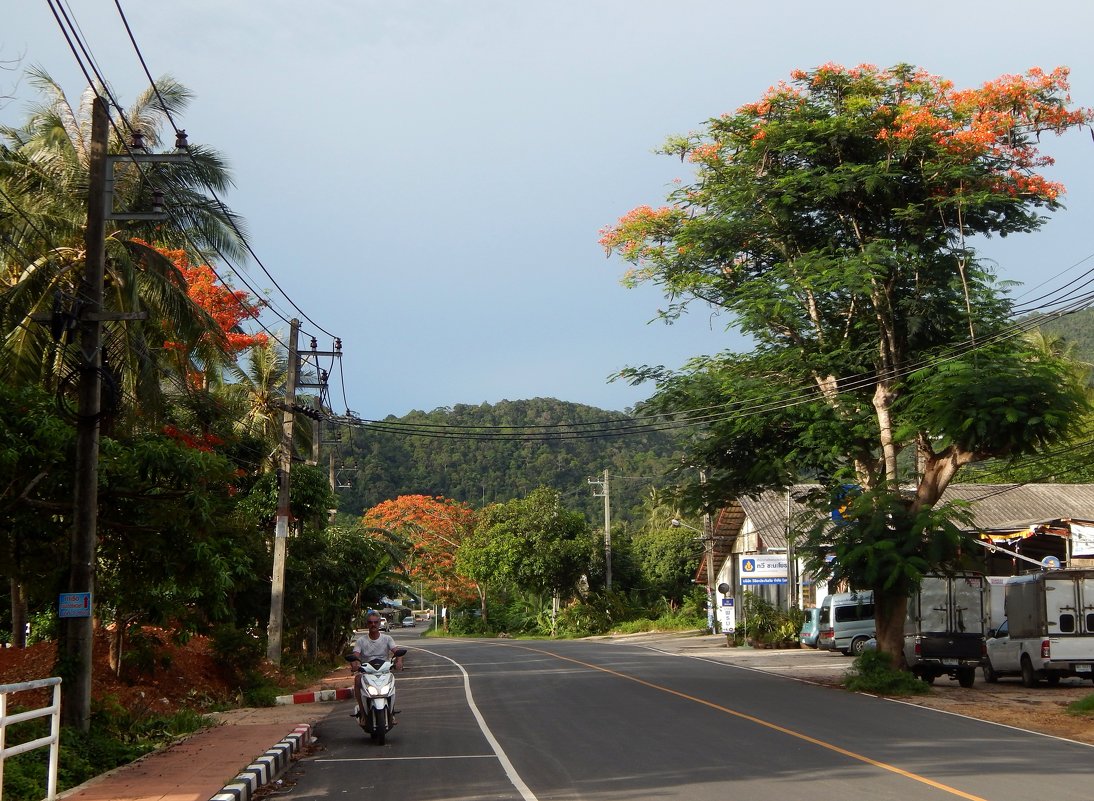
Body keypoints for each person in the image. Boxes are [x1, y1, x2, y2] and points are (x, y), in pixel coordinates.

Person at [349, 611, 404, 720]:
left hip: (384, 671)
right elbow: (355, 655)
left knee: (392, 681)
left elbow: (396, 651)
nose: (373, 624)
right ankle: (363, 713)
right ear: (367, 624)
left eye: (375, 622)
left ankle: (391, 710)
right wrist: (354, 665)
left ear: (379, 623)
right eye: (370, 622)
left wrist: (399, 662)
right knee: (357, 680)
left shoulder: (387, 639)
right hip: (366, 671)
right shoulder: (361, 641)